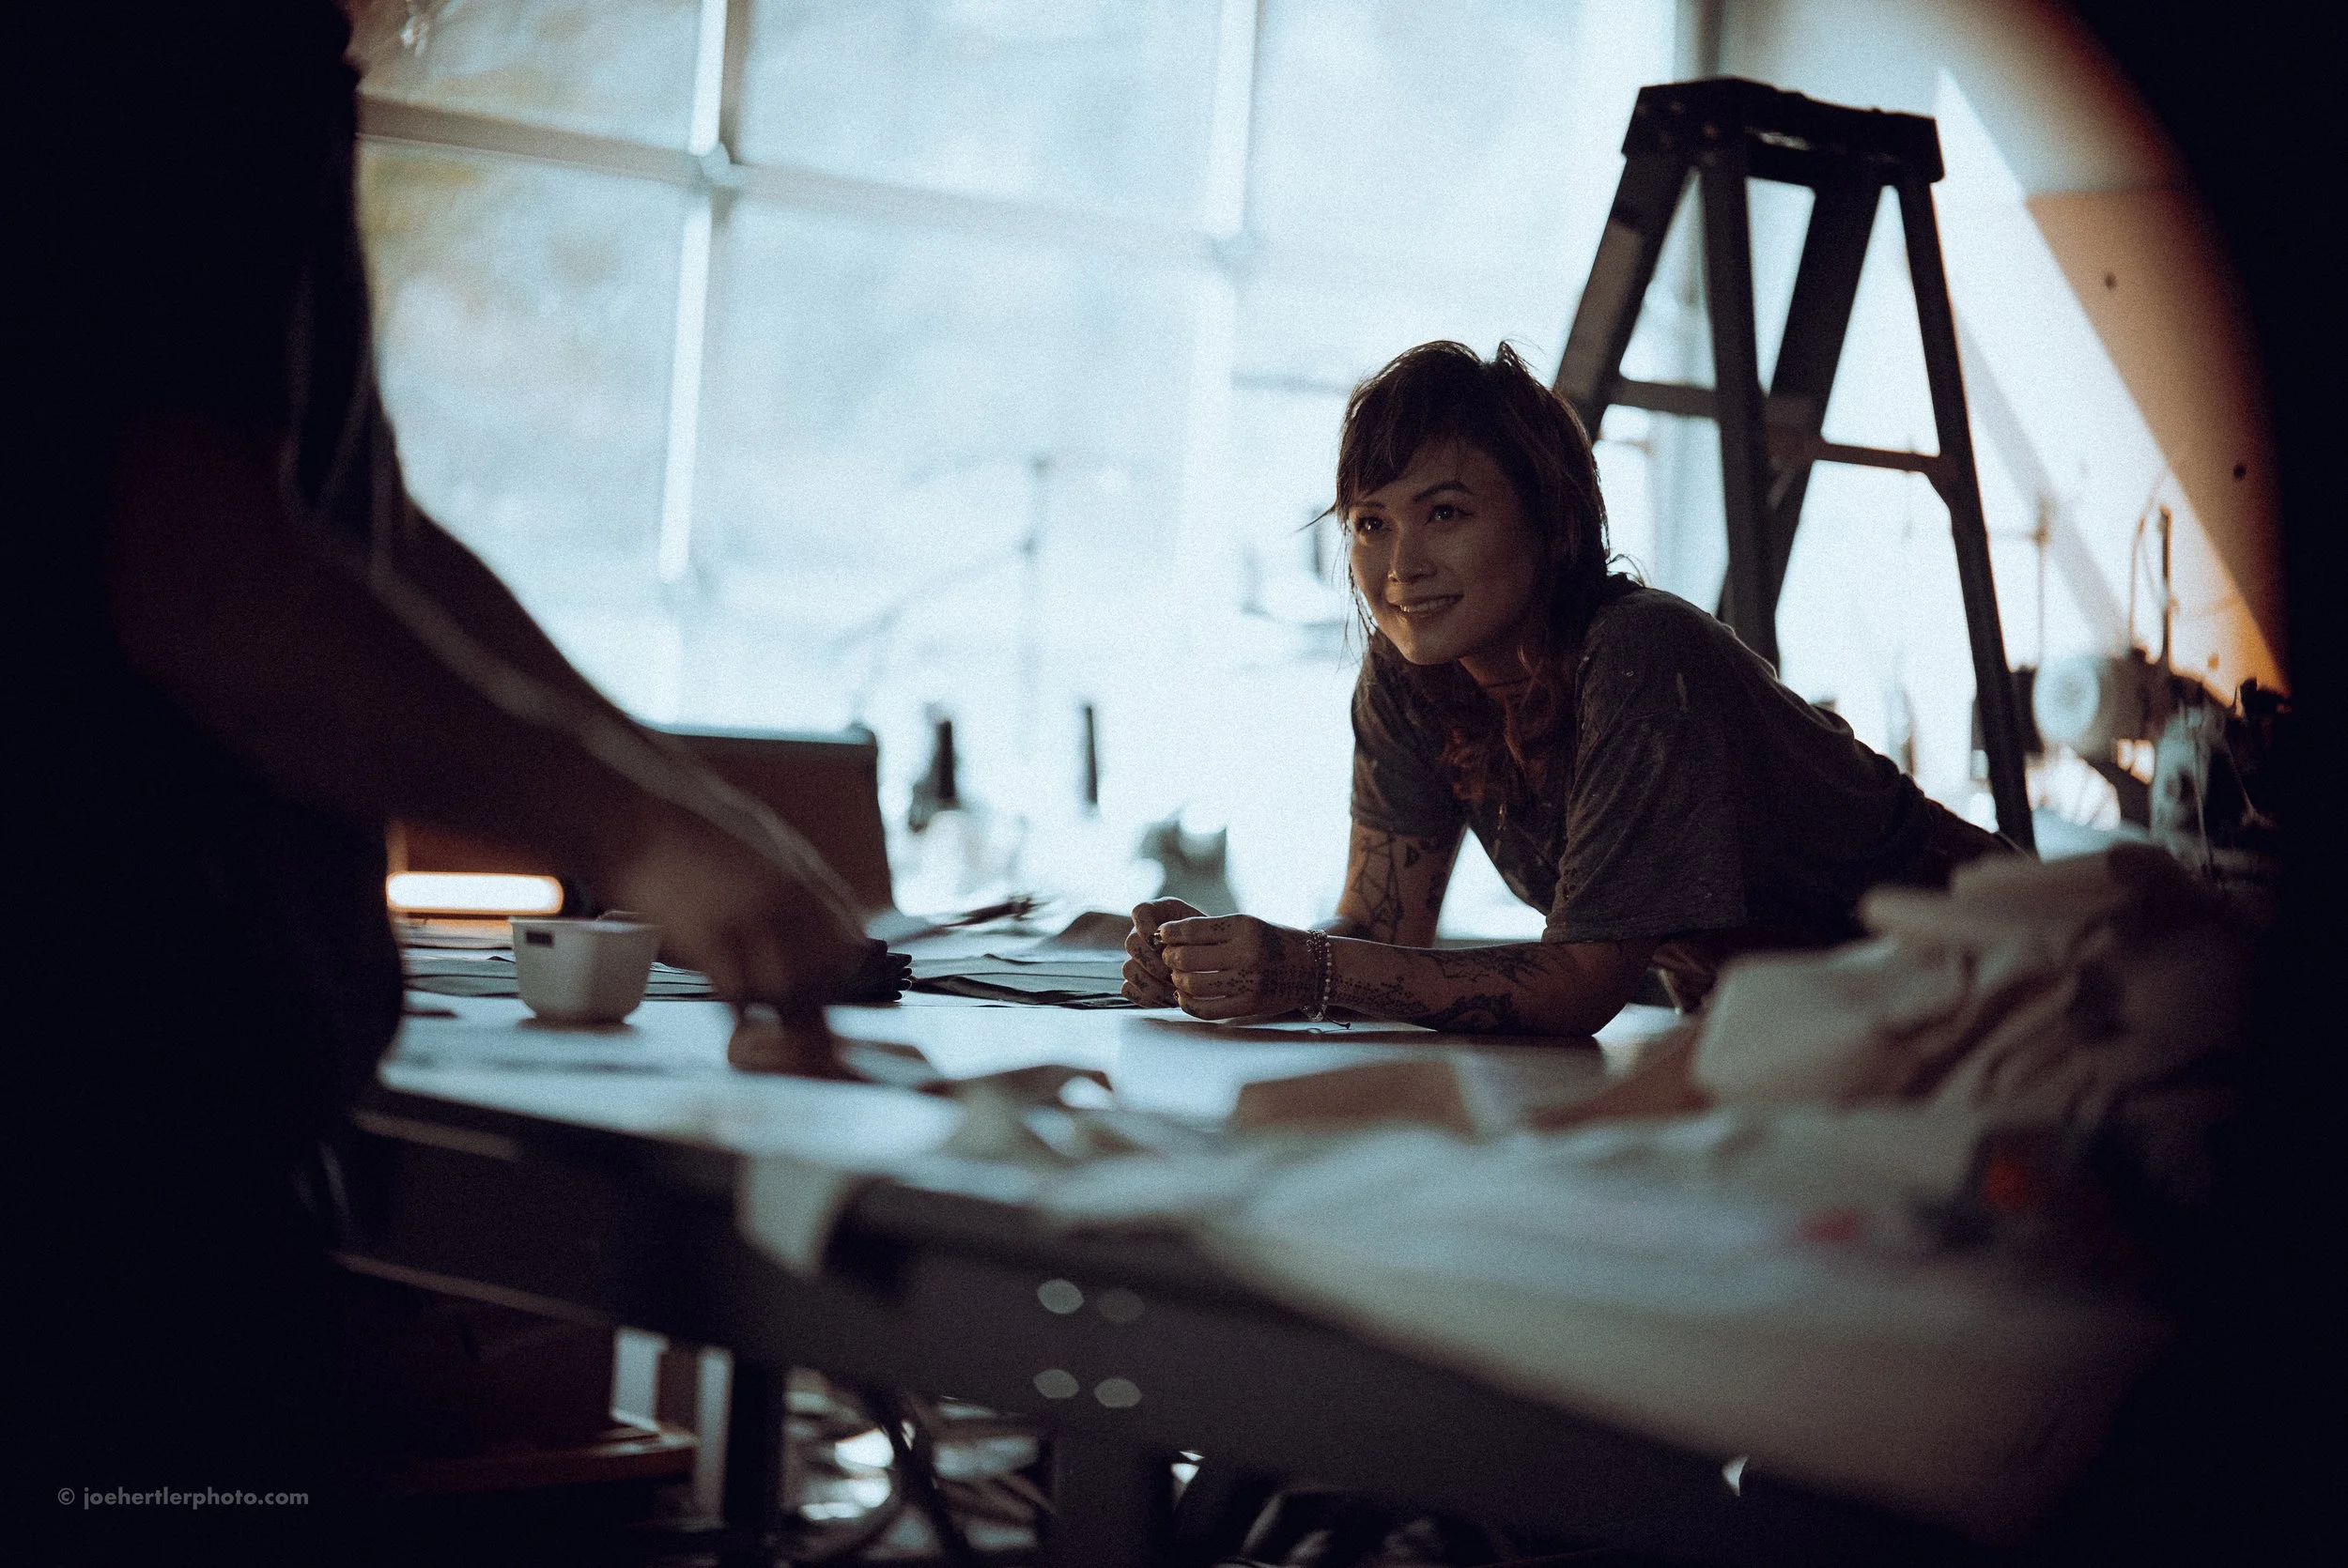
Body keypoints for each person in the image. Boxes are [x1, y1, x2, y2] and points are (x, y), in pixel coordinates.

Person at [14, 4, 877, 1549]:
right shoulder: (177, 54)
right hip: (96, 1149)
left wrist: (674, 803)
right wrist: (639, 831)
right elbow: (209, 579)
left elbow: (368, 538)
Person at [1122, 341, 2006, 1033]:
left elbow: (1582, 985)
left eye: (1445, 513)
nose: (1400, 567)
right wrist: (1219, 959)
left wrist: (1302, 969)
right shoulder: (1412, 674)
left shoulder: (1642, 651)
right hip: (1802, 1025)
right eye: (1370, 523)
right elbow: (1383, 934)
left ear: (1553, 521)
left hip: (1996, 981)